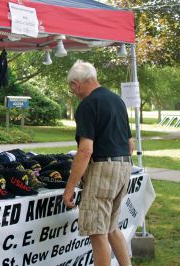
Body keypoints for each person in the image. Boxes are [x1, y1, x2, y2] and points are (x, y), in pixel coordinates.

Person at [62, 60, 134, 266]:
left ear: (77, 83)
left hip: (103, 169)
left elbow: (85, 151)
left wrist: (69, 189)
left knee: (97, 232)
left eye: (72, 88)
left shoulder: (87, 105)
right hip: (124, 165)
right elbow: (130, 144)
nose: (74, 92)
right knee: (111, 228)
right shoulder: (117, 100)